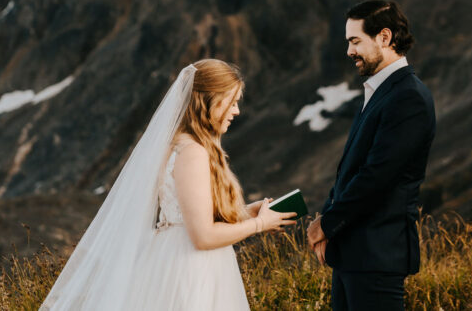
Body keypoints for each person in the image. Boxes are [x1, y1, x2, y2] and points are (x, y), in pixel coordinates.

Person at [42, 59, 296, 310]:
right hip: (190, 269)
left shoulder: (185, 145)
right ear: (209, 100)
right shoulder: (192, 152)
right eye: (232, 101)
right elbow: (203, 236)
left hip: (184, 259)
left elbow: (194, 216)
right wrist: (260, 224)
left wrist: (247, 212)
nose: (236, 110)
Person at [307, 0, 436, 310]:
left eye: (355, 41)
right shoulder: (383, 91)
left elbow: (377, 177)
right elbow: (350, 170)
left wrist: (326, 225)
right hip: (353, 254)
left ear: (384, 37)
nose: (349, 51)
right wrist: (328, 220)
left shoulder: (408, 98)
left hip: (377, 255)